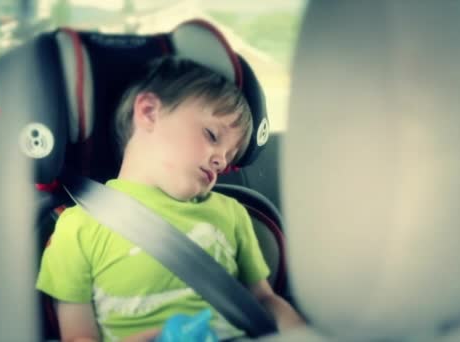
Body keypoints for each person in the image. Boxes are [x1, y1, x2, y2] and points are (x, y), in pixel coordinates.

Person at [36, 56, 306, 342]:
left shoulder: (231, 213)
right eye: (212, 135)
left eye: (229, 157)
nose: (220, 160)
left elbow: (264, 300)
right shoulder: (77, 228)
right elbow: (78, 337)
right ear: (149, 112)